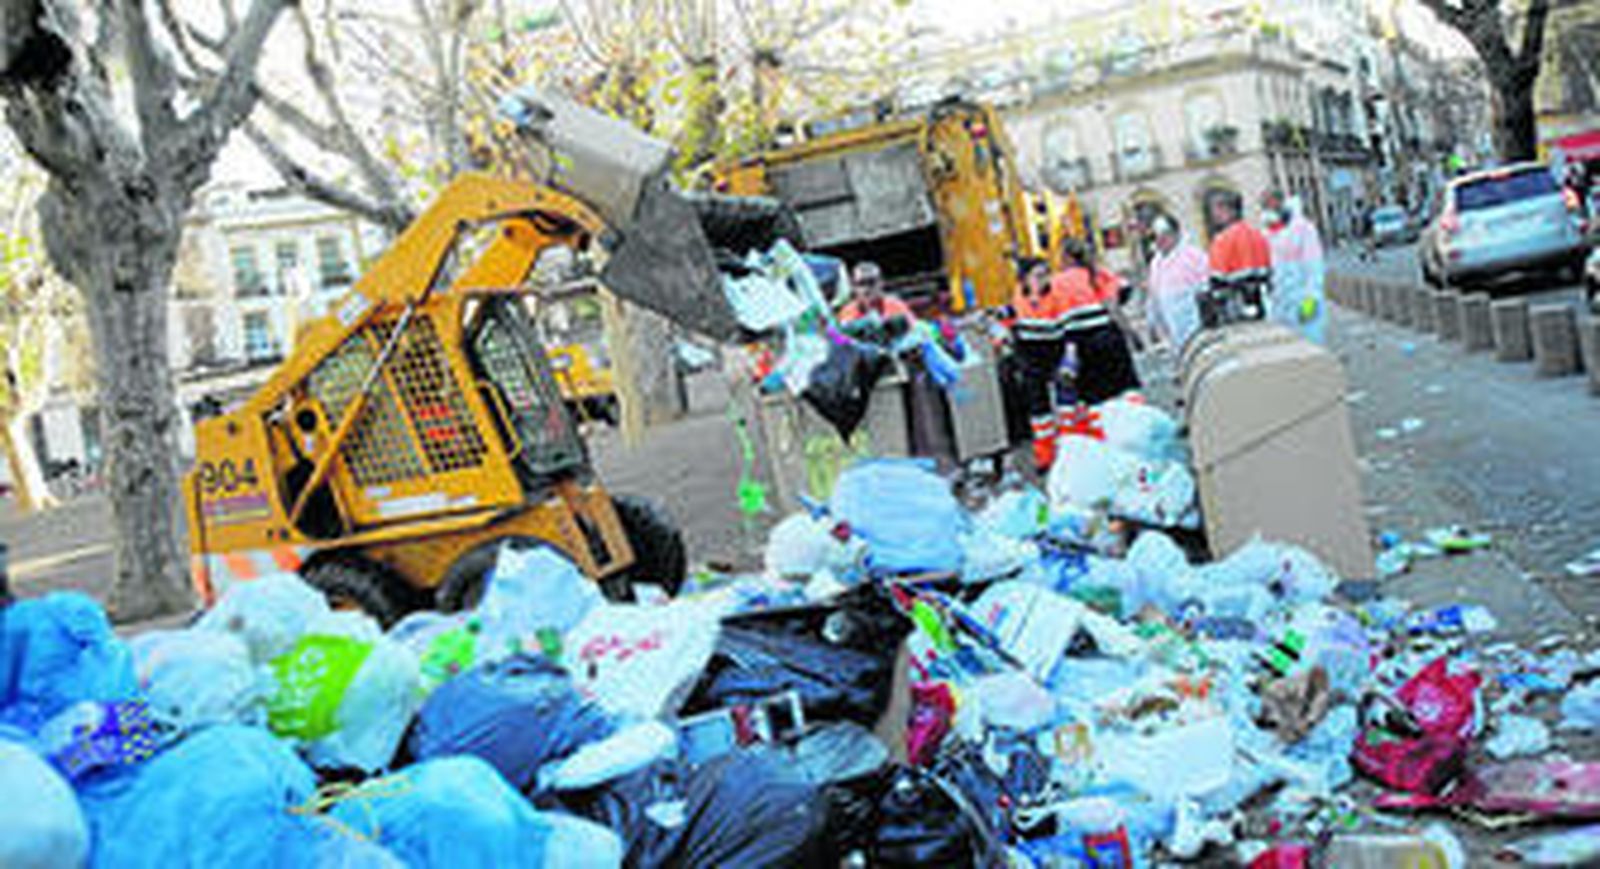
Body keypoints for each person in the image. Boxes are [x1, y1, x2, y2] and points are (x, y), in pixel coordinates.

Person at [1002, 256, 1074, 471]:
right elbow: (1014, 314)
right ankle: (1045, 457)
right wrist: (1002, 322)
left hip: (1055, 353)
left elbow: (1070, 330)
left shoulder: (1057, 295)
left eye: (1046, 274)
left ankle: (1072, 451)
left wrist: (1069, 361)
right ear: (1024, 280)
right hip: (1030, 357)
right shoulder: (1019, 294)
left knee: (1067, 407)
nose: (1045, 280)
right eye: (1039, 275)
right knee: (1039, 412)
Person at [1053, 237, 1142, 408]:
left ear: (1067, 258)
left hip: (1081, 348)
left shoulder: (1056, 282)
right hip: (1109, 341)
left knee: (1095, 402)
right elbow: (1114, 309)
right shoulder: (1099, 275)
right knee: (1126, 393)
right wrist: (1132, 334)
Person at [1261, 190, 1328, 344]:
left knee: (1310, 349)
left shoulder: (1303, 229)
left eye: (1272, 205)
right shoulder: (1266, 235)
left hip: (1303, 305)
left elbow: (1314, 271)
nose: (1268, 210)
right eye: (1265, 206)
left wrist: (1310, 301)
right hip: (1281, 309)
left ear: (1282, 204)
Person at [1204, 191, 1272, 327]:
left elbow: (1216, 280)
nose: (1214, 216)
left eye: (1217, 210)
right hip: (1262, 302)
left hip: (1236, 305)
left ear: (1230, 211)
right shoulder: (1257, 235)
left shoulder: (1222, 240)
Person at [1144, 215, 1209, 352]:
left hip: (1196, 327)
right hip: (1172, 334)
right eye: (1156, 235)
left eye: (1165, 233)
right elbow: (1153, 297)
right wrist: (1152, 325)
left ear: (1176, 233)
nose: (1161, 239)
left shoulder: (1194, 256)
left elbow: (1207, 290)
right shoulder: (1156, 264)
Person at [838, 261, 916, 326]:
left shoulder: (897, 306)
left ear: (881, 283)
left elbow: (916, 330)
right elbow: (839, 340)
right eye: (861, 283)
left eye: (871, 282)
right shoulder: (847, 313)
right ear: (854, 287)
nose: (867, 289)